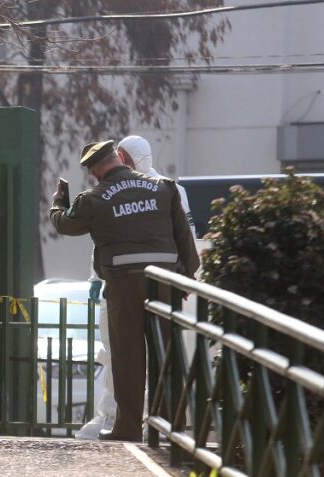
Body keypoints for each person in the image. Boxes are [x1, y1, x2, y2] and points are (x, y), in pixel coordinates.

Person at [49, 140, 199, 441]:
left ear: (94, 171)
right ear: (119, 157)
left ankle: (127, 428)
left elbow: (65, 225)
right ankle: (171, 427)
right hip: (166, 282)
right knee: (167, 353)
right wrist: (186, 276)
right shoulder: (164, 188)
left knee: (128, 357)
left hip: (123, 284)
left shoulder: (93, 198)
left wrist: (58, 203)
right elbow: (185, 240)